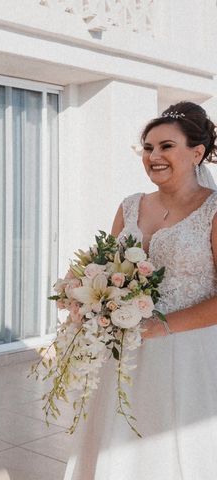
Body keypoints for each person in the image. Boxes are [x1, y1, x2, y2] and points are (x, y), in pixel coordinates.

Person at [64, 101, 217, 479]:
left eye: (166, 146)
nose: (154, 156)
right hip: (125, 350)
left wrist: (156, 327)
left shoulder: (214, 211)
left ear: (197, 152)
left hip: (189, 354)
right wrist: (81, 292)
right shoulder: (130, 206)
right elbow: (104, 266)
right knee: (120, 442)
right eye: (148, 148)